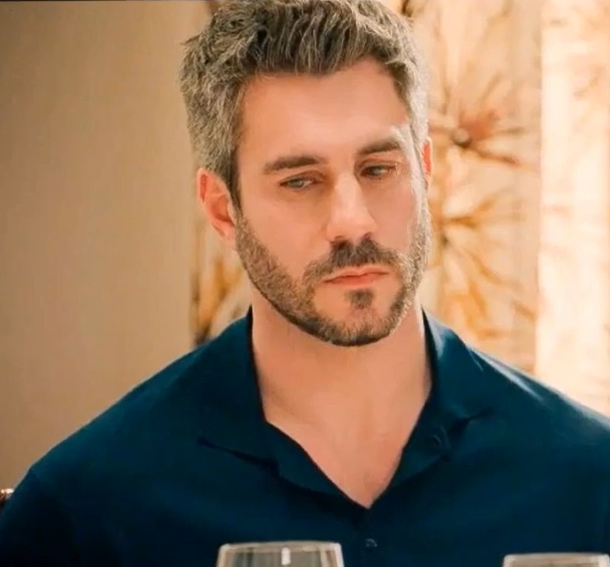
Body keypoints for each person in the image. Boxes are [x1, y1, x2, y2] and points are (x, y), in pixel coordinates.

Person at [2, 0, 610, 565]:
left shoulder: (588, 479)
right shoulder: (85, 507)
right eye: (300, 181)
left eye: (378, 169)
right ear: (222, 210)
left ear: (425, 172)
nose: (353, 221)